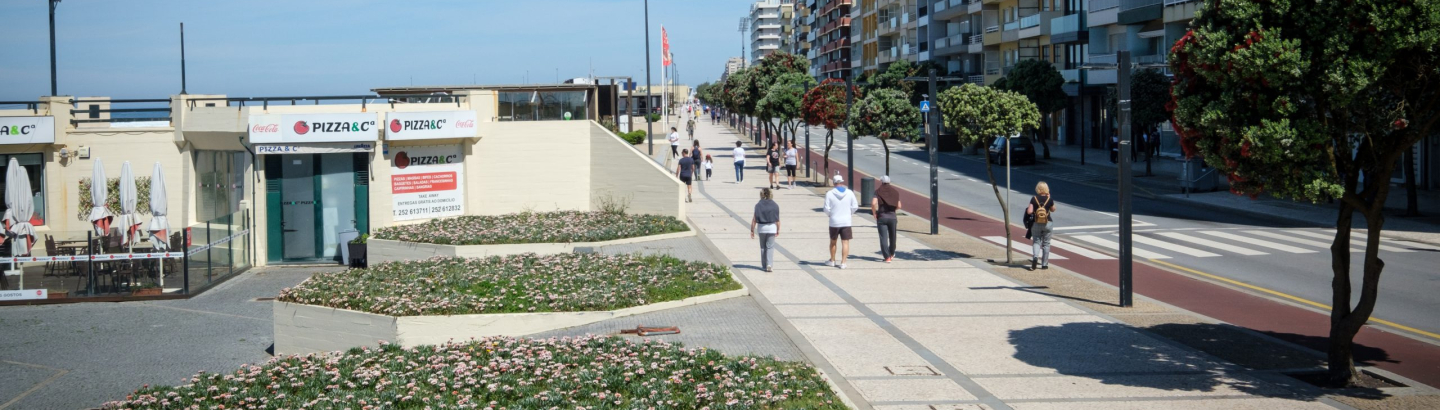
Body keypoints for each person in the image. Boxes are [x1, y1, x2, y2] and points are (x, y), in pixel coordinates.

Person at [823, 175, 859, 269]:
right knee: (845, 242)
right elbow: (855, 206)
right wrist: (849, 213)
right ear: (842, 182)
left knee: (833, 242)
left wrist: (831, 215)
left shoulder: (829, 193)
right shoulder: (850, 193)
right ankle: (843, 262)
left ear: (833, 183)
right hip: (846, 221)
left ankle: (832, 260)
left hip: (834, 221)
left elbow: (826, 208)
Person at [1024, 181, 1057, 271]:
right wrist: (1049, 199)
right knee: (1046, 243)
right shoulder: (1049, 199)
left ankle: (1035, 257)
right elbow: (1053, 209)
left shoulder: (1034, 199)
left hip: (1036, 222)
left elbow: (1029, 211)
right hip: (1048, 223)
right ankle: (1044, 264)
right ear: (1046, 189)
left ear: (1037, 189)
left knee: (1036, 241)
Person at [751, 188, 781, 272]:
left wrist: (752, 230)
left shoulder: (758, 205)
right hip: (772, 227)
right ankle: (769, 264)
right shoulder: (775, 205)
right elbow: (777, 220)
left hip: (761, 228)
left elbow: (754, 219)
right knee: (770, 247)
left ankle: (764, 265)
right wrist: (778, 229)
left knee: (763, 247)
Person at [872, 176, 901, 263]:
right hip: (892, 217)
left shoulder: (878, 191)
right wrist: (892, 210)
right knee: (893, 237)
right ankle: (891, 253)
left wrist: (874, 213)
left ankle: (887, 257)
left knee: (883, 237)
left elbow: (873, 203)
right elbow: (899, 206)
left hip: (882, 217)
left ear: (881, 182)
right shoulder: (895, 192)